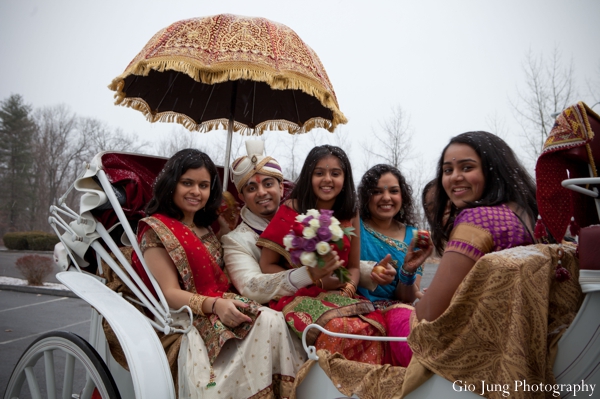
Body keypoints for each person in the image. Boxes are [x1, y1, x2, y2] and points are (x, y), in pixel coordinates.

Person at [131, 149, 305, 399]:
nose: (196, 192)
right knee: (267, 321)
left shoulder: (207, 228)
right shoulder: (156, 229)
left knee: (277, 319)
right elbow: (169, 292)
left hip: (222, 302)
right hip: (187, 314)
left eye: (203, 185)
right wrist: (215, 305)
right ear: (172, 184)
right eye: (187, 183)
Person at [255, 145, 389, 365]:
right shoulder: (290, 210)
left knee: (370, 329)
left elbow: (353, 267)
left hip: (341, 294)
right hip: (299, 294)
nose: (327, 179)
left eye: (335, 173)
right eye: (319, 173)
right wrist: (311, 277)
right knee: (336, 329)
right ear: (309, 176)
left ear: (345, 179)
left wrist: (346, 290)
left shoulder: (350, 213)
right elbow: (267, 265)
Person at [411, 131, 538, 321]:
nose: (455, 177)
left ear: (494, 169)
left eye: (467, 167)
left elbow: (428, 314)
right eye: (447, 170)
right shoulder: (525, 213)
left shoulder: (477, 220)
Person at [222, 141, 351, 304]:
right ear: (242, 197)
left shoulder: (303, 217)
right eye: (251, 188)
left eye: (268, 184)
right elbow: (251, 288)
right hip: (273, 314)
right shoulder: (235, 241)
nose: (262, 192)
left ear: (281, 188)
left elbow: (336, 257)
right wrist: (310, 275)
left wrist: (367, 272)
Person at [356, 164, 432, 305]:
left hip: (396, 313)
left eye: (394, 191)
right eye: (377, 192)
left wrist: (407, 271)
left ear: (402, 196)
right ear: (366, 197)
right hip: (353, 306)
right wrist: (368, 271)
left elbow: (408, 298)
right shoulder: (354, 226)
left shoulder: (416, 237)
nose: (386, 197)